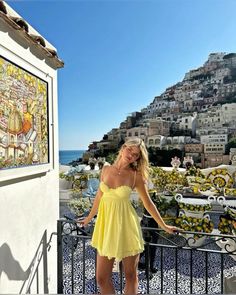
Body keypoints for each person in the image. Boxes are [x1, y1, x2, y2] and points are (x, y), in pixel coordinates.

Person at [78, 137, 180, 295]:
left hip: (127, 226)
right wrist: (88, 218)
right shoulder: (105, 169)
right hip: (106, 227)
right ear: (123, 147)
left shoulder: (135, 175)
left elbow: (148, 203)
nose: (132, 155)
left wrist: (163, 226)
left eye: (136, 155)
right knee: (101, 278)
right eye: (130, 150)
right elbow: (99, 197)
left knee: (131, 276)